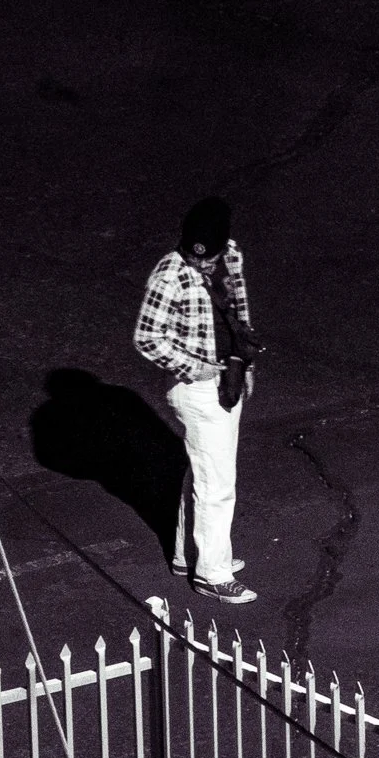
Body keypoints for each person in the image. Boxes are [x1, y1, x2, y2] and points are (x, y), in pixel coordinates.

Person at [134, 197, 258, 604]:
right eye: (195, 257)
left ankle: (189, 555)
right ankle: (213, 574)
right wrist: (194, 368)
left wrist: (246, 364)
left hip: (230, 373)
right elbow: (146, 337)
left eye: (211, 259)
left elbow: (237, 311)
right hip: (199, 387)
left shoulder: (232, 256)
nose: (203, 265)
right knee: (217, 485)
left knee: (202, 473)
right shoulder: (169, 276)